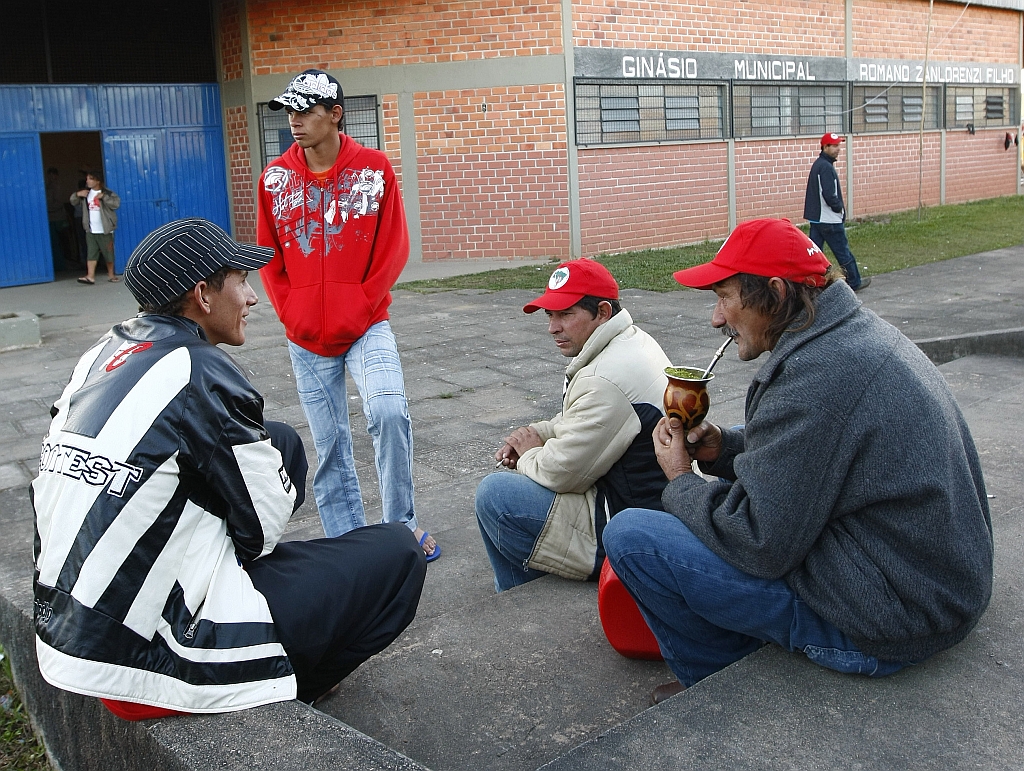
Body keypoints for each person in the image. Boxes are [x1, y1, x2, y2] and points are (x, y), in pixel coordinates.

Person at [32, 217, 426, 717]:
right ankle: (284, 688)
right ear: (203, 294)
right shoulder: (199, 372)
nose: (253, 297)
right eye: (241, 280)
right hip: (149, 662)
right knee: (398, 553)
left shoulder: (104, 352)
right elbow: (261, 529)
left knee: (279, 441)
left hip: (70, 635)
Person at [602, 218, 992, 705]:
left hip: (894, 617)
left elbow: (759, 541)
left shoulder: (816, 376)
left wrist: (680, 478)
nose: (716, 319)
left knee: (632, 537)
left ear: (775, 292)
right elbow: (818, 451)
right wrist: (723, 447)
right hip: (933, 587)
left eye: (725, 297)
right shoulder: (852, 336)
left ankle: (713, 680)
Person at [256, 69, 439, 562]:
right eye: (289, 112)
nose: (294, 121)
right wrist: (291, 311)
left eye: (305, 111)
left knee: (388, 412)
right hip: (305, 335)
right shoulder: (275, 179)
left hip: (366, 324)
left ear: (335, 114)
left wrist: (359, 304)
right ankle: (349, 544)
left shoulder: (375, 169)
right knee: (330, 442)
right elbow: (268, 253)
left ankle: (401, 528)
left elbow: (393, 246)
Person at [476, 259, 672, 592]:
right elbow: (585, 421)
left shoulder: (603, 378)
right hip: (653, 500)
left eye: (566, 314)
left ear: (603, 312)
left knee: (495, 495)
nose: (553, 327)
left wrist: (528, 454)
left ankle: (515, 598)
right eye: (550, 315)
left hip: (629, 522)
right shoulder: (630, 340)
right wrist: (539, 432)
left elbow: (562, 472)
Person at [803, 132, 869, 292]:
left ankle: (811, 283)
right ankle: (854, 281)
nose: (838, 149)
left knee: (815, 254)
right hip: (829, 219)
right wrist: (839, 208)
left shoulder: (819, 164)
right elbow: (829, 194)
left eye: (839, 145)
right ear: (825, 147)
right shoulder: (825, 167)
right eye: (834, 146)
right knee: (842, 252)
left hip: (817, 219)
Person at [72, 170, 120, 284]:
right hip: (91, 229)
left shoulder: (107, 193)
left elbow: (116, 204)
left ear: (97, 181)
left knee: (108, 252)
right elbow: (73, 201)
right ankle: (90, 276)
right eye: (87, 178)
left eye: (90, 178)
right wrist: (77, 194)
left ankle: (111, 275)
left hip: (105, 228)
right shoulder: (86, 193)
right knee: (91, 253)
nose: (87, 181)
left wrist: (104, 197)